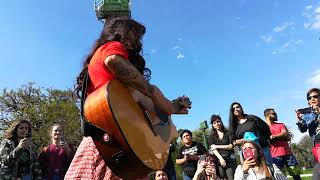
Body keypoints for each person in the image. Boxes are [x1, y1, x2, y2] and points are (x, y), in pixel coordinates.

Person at [67, 17, 189, 179]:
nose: (139, 42)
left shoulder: (118, 86)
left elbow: (145, 105)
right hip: (111, 145)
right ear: (124, 34)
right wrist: (152, 91)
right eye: (136, 36)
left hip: (114, 146)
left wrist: (172, 107)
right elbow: (113, 60)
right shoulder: (111, 47)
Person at [264, 108, 301, 180]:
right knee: (280, 177)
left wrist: (273, 136)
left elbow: (285, 134)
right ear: (267, 115)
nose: (276, 115)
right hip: (275, 157)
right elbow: (267, 140)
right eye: (274, 114)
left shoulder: (281, 125)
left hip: (289, 155)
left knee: (296, 175)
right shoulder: (264, 128)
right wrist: (279, 136)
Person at [208, 114, 236, 180]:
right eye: (214, 123)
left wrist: (217, 146)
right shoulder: (212, 136)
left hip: (230, 159)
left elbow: (231, 146)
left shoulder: (228, 133)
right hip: (219, 161)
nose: (217, 124)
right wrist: (221, 159)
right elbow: (213, 149)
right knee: (222, 177)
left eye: (218, 121)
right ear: (212, 125)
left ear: (221, 122)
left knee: (232, 177)